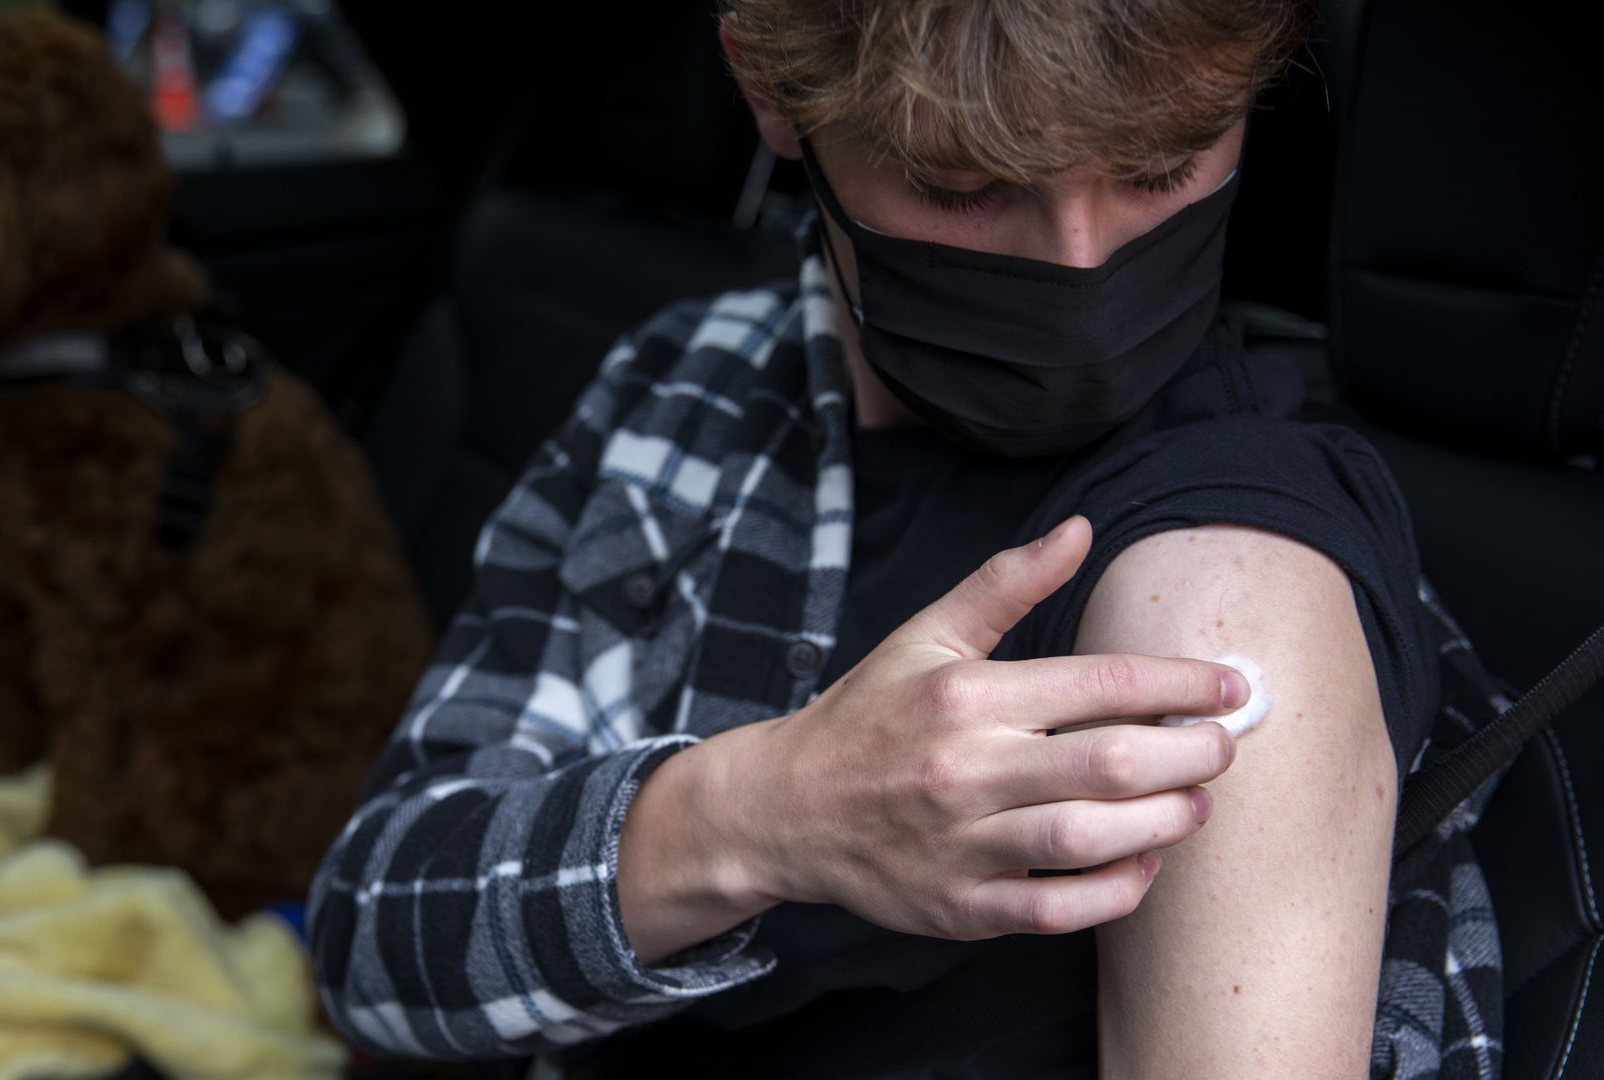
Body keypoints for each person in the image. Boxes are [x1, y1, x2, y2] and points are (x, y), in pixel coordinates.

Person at [307, 0, 1442, 1075]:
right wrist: (758, 815)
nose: (1084, 266)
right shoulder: (690, 389)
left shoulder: (1235, 578)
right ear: (765, 80)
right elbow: (366, 946)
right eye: (961, 183)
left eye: (1159, 166)